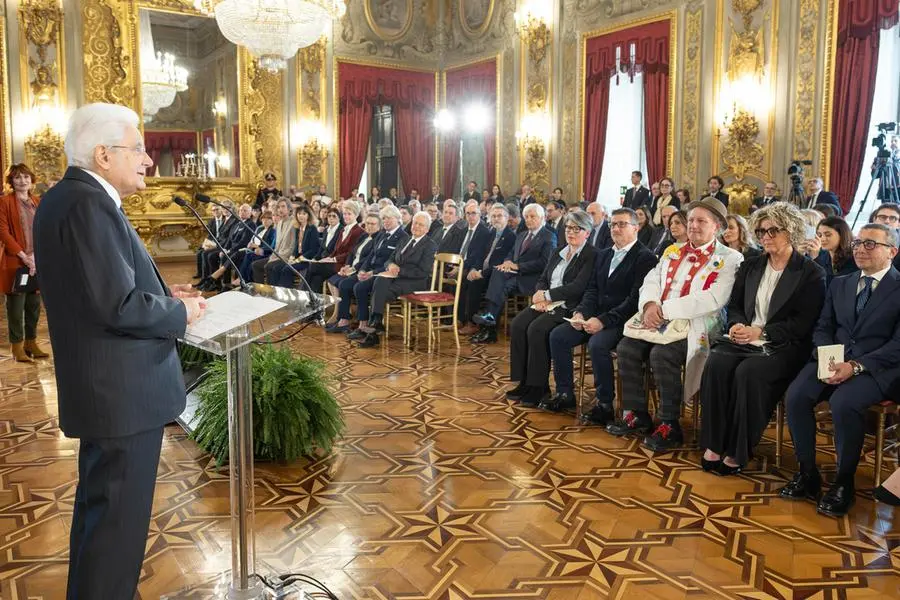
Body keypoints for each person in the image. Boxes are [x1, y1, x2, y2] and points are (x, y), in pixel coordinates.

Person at [33, 103, 206, 599]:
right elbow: (116, 305)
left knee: (101, 524)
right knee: (115, 535)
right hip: (122, 395)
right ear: (103, 155)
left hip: (107, 391)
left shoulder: (67, 199)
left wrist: (165, 296)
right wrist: (180, 313)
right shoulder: (88, 204)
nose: (148, 160)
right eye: (139, 149)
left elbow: (100, 290)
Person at [780, 224, 900, 517]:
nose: (860, 249)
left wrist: (855, 366)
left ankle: (843, 482)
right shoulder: (840, 283)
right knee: (796, 395)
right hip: (834, 359)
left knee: (844, 403)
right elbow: (823, 326)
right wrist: (827, 356)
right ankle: (807, 472)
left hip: (877, 368)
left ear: (892, 252)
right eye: (858, 243)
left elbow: (897, 345)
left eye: (870, 244)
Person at [699, 202, 825, 475]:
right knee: (716, 363)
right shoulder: (752, 265)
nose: (765, 236)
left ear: (791, 231)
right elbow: (734, 305)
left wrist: (762, 332)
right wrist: (736, 324)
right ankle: (714, 443)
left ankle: (738, 449)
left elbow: (802, 323)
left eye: (772, 230)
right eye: (760, 231)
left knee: (748, 372)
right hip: (745, 338)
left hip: (784, 345)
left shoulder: (810, 272)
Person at [611, 198, 743, 451]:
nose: (693, 225)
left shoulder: (730, 258)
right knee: (627, 347)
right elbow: (652, 280)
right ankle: (638, 413)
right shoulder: (672, 250)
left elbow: (715, 298)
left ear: (716, 226)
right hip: (658, 318)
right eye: (691, 220)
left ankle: (669, 424)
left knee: (662, 354)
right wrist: (650, 305)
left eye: (701, 221)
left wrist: (664, 310)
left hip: (697, 324)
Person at [546, 208, 658, 420]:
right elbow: (592, 290)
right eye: (612, 224)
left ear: (636, 228)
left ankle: (604, 404)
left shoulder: (645, 258)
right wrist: (581, 313)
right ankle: (564, 393)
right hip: (594, 316)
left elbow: (633, 301)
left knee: (597, 344)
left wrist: (603, 321)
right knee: (558, 336)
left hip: (623, 321)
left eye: (622, 224)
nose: (615, 228)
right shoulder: (604, 254)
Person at [506, 211, 598, 407]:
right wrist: (540, 293)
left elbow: (577, 287)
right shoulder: (558, 251)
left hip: (568, 306)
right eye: (568, 228)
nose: (571, 232)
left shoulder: (591, 255)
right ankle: (524, 382)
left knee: (537, 329)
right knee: (518, 324)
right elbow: (543, 278)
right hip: (546, 302)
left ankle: (539, 387)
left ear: (587, 233)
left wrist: (547, 296)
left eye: (577, 229)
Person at [470, 204, 556, 344]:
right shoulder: (521, 235)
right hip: (515, 275)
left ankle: (488, 325)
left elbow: (544, 263)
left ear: (542, 218)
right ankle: (489, 327)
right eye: (526, 217)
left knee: (501, 286)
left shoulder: (548, 236)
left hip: (532, 278)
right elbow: (510, 253)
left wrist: (518, 266)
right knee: (498, 272)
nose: (528, 219)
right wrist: (507, 262)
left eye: (532, 216)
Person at [356, 211, 438, 348]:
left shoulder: (430, 245)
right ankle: (376, 324)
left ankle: (374, 328)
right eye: (415, 223)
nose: (416, 226)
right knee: (379, 281)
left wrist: (399, 271)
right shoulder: (405, 240)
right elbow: (390, 259)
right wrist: (390, 265)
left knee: (378, 291)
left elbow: (423, 271)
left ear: (427, 229)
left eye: (421, 225)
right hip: (396, 279)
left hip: (415, 282)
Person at [0, 163, 48, 362]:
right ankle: (17, 347)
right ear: (11, 181)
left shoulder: (38, 202)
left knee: (33, 305)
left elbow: (44, 229)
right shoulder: (4, 202)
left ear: (31, 180)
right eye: (18, 177)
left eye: (26, 177)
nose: (23, 181)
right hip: (16, 261)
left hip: (36, 262)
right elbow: (3, 232)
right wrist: (23, 255)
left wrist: (35, 256)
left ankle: (31, 342)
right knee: (15, 306)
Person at [345, 206, 409, 340]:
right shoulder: (382, 234)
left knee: (359, 287)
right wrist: (362, 270)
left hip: (385, 275)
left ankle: (365, 325)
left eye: (389, 218)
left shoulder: (403, 237)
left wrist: (372, 272)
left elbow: (393, 261)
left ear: (397, 219)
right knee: (351, 284)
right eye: (384, 218)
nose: (385, 221)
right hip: (371, 271)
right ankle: (361, 324)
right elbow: (371, 256)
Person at [458, 204, 518, 335]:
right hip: (482, 270)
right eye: (494, 216)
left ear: (507, 218)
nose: (496, 219)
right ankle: (463, 319)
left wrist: (481, 274)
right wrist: (474, 269)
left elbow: (500, 262)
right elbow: (480, 255)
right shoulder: (491, 233)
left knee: (474, 283)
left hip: (495, 273)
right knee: (465, 278)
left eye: (499, 216)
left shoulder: (510, 237)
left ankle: (472, 323)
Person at [324, 213, 381, 332]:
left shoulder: (377, 239)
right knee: (333, 280)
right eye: (367, 223)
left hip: (362, 271)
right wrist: (346, 265)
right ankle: (341, 317)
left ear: (379, 226)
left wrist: (354, 269)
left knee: (343, 284)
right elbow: (351, 253)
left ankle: (344, 319)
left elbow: (368, 259)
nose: (369, 226)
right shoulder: (364, 236)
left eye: (373, 224)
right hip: (352, 268)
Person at [306, 200, 364, 294]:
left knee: (313, 266)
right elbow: (336, 250)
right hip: (335, 263)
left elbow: (350, 253)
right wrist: (328, 258)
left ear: (356, 215)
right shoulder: (343, 229)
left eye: (349, 214)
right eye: (344, 214)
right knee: (317, 277)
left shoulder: (358, 231)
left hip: (343, 265)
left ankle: (305, 295)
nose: (346, 216)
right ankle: (314, 299)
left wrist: (333, 259)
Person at [253, 198, 294, 284]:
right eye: (278, 207)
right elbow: (277, 246)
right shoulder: (279, 223)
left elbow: (292, 246)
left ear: (289, 208)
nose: (280, 209)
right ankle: (261, 290)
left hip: (287, 257)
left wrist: (277, 258)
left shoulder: (293, 223)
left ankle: (273, 290)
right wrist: (273, 257)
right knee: (256, 265)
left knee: (269, 266)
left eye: (283, 206)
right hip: (277, 255)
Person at [237, 209, 276, 285]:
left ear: (272, 220)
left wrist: (257, 246)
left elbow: (270, 246)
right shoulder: (260, 228)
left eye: (268, 218)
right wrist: (250, 244)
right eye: (263, 218)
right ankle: (243, 279)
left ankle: (246, 280)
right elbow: (253, 239)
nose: (265, 220)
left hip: (265, 252)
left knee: (250, 257)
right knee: (241, 255)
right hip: (254, 250)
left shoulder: (272, 231)